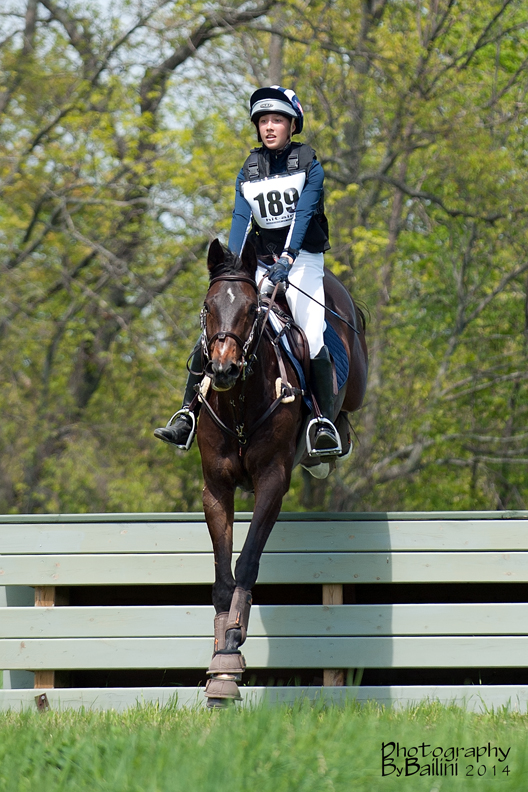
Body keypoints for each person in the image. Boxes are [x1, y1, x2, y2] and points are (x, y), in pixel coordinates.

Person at [154, 85, 340, 454]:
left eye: (277, 120)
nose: (269, 127)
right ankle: (187, 414)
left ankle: (322, 422)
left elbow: (303, 215)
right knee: (220, 328)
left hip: (301, 260)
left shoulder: (308, 162)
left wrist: (287, 259)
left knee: (314, 337)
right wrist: (232, 267)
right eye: (263, 121)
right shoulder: (250, 168)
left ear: (291, 125)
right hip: (257, 264)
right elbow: (241, 218)